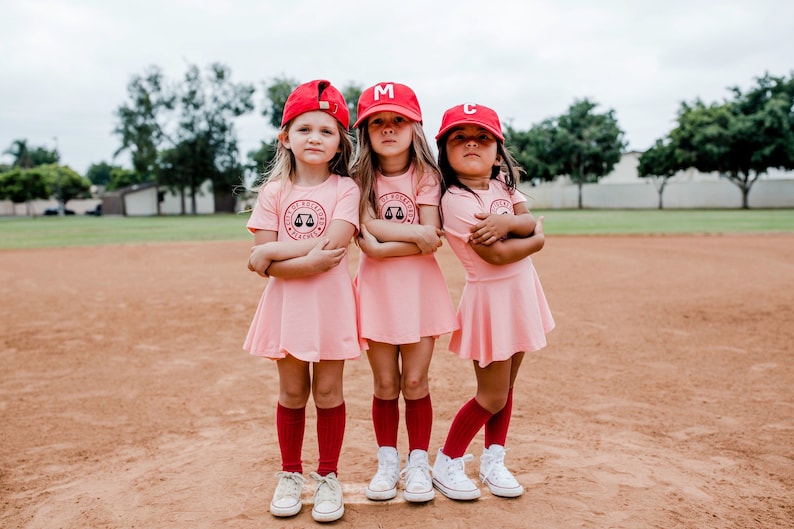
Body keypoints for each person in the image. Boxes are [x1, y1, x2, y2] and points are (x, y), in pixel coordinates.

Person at [244, 79, 361, 523]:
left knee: (329, 391)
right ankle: (290, 474)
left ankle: (328, 476)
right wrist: (278, 257)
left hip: (330, 305)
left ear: (339, 143)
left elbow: (331, 251)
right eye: (305, 128)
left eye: (327, 131)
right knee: (293, 392)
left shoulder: (345, 189)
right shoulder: (273, 193)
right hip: (287, 306)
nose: (315, 138)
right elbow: (266, 264)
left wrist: (272, 251)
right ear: (285, 137)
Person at [431, 102, 555, 501]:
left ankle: (493, 459)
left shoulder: (503, 185)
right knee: (492, 394)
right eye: (459, 138)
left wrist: (510, 224)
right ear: (445, 152)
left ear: (497, 150)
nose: (472, 143)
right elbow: (500, 254)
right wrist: (534, 237)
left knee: (507, 385)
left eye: (483, 137)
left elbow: (523, 219)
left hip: (520, 293)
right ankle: (447, 461)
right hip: (491, 300)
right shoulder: (455, 199)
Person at [351, 82, 458, 503]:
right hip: (377, 293)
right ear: (366, 131)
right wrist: (416, 236)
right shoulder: (356, 178)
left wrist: (391, 241)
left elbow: (423, 235)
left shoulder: (427, 177)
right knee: (384, 384)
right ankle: (387, 461)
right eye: (378, 121)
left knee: (415, 381)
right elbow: (368, 237)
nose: (389, 128)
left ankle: (417, 461)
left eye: (398, 120)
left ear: (414, 127)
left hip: (420, 292)